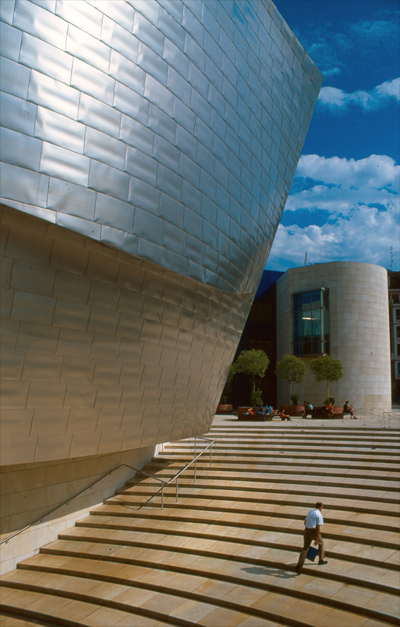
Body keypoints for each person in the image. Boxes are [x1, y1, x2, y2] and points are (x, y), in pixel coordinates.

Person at [295, 502, 328, 573]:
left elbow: (305, 522)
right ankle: (321, 560)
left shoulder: (310, 512)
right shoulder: (319, 515)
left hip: (307, 530)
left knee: (305, 548)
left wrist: (307, 529)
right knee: (321, 543)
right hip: (313, 531)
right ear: (321, 507)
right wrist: (316, 539)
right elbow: (318, 528)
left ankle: (299, 565)